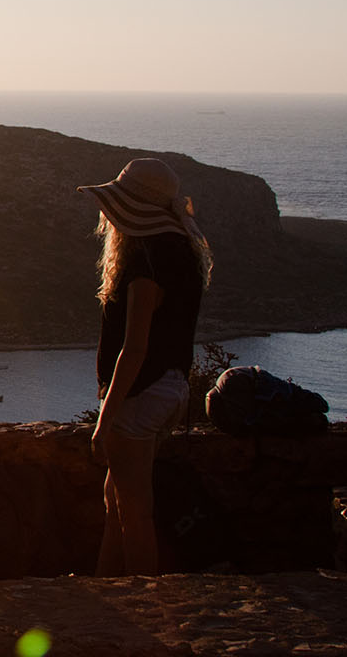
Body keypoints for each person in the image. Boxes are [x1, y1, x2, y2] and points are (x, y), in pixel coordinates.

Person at [78, 158, 211, 575]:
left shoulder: (144, 264)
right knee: (116, 500)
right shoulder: (184, 254)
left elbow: (134, 349)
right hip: (172, 389)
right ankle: (106, 585)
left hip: (141, 395)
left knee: (135, 514)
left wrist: (107, 417)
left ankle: (145, 605)